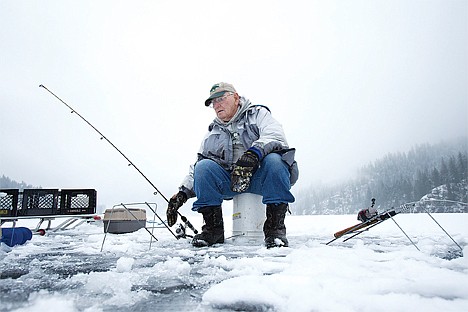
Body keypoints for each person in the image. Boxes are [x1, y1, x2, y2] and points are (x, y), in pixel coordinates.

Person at [166, 82, 298, 248]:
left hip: (261, 178)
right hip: (232, 182)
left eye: (221, 99)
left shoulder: (258, 114)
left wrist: (253, 154)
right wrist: (182, 194)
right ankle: (213, 231)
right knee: (204, 167)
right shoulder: (212, 133)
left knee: (275, 161)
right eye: (213, 102)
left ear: (236, 97)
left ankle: (275, 232)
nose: (217, 105)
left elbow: (276, 136)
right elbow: (197, 170)